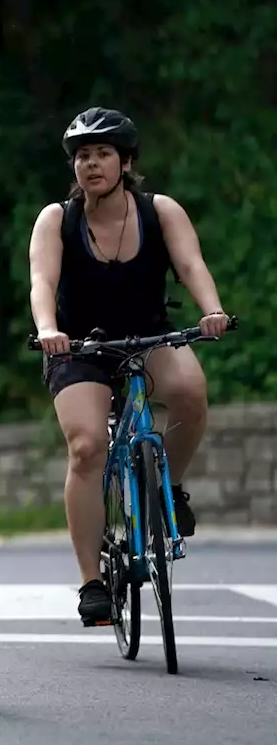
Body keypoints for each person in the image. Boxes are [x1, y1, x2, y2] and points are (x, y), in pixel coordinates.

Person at [27, 106, 228, 626]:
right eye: (82, 156)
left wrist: (212, 310)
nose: (91, 164)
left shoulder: (159, 211)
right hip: (80, 349)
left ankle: (172, 488)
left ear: (126, 162)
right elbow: (42, 283)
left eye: (103, 154)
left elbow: (190, 265)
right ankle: (92, 583)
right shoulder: (58, 219)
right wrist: (49, 330)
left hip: (150, 336)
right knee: (87, 447)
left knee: (189, 393)